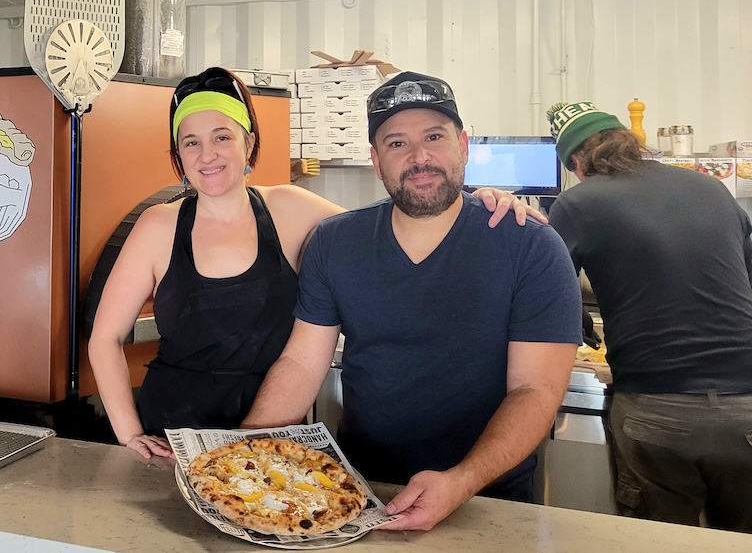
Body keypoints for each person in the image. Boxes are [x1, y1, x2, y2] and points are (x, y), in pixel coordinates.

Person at [88, 67, 546, 461]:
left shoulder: (291, 209)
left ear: (248, 144)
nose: (208, 155)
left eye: (222, 137)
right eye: (191, 143)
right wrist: (129, 434)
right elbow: (105, 338)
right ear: (179, 156)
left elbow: (394, 223)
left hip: (274, 425)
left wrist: (479, 198)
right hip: (174, 431)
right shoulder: (157, 227)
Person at [241, 71, 582, 532]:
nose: (420, 157)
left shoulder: (530, 245)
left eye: (434, 136)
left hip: (487, 499)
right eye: (396, 143)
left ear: (464, 145)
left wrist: (460, 481)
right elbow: (303, 363)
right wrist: (244, 449)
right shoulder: (336, 243)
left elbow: (535, 390)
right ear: (376, 161)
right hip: (357, 494)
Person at [545, 101, 752, 532]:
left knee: (658, 540)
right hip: (747, 405)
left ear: (577, 162)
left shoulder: (577, 202)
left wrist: (582, 326)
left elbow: (549, 292)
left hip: (656, 408)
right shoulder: (710, 188)